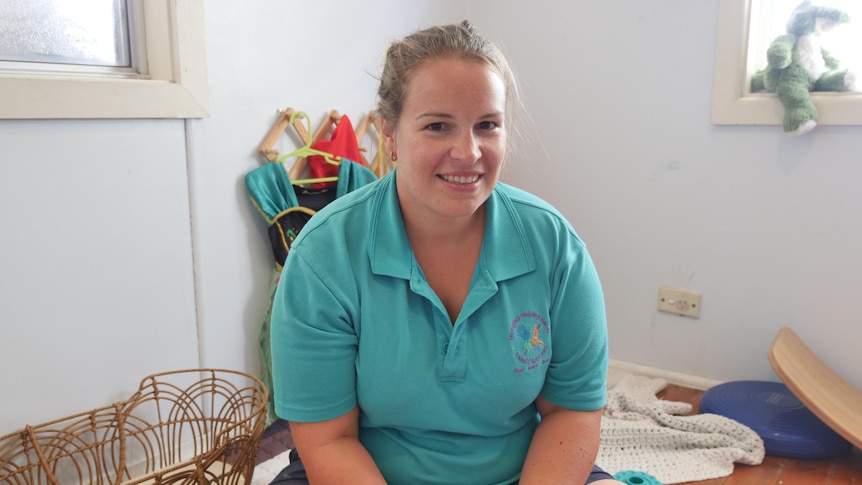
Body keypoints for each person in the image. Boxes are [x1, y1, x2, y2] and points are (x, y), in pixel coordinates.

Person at [268, 20, 621, 485]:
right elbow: (329, 439)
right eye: (438, 126)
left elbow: (570, 412)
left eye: (487, 126)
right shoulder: (324, 257)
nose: (468, 152)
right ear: (390, 134)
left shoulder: (556, 248)